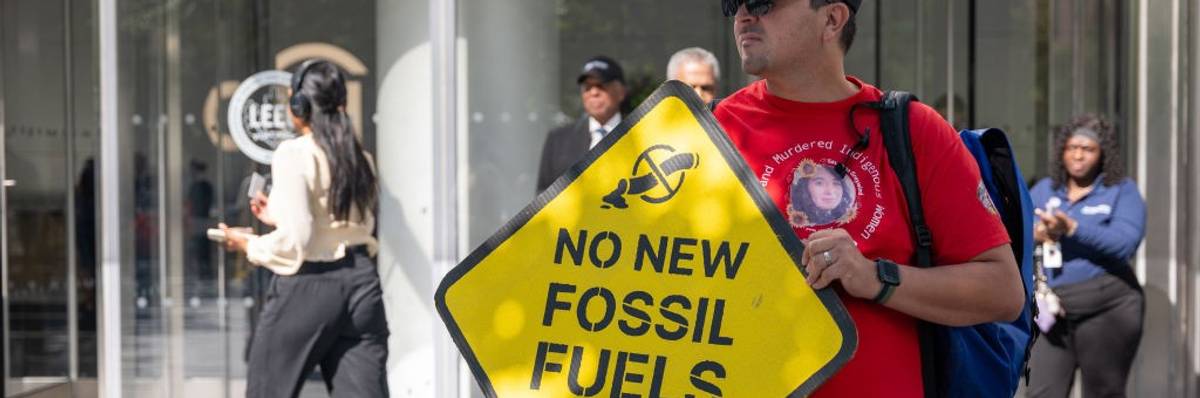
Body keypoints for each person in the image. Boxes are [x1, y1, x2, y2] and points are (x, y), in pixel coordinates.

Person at [713, 1, 1024, 396]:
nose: (743, 14)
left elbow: (1002, 291)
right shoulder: (708, 133)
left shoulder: (913, 130)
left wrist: (876, 278)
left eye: (763, 2)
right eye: (733, 2)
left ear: (832, 19)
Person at [220, 59, 389, 398]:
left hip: (310, 284)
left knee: (267, 391)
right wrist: (278, 215)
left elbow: (299, 238)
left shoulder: (293, 153)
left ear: (300, 106)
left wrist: (250, 245)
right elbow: (357, 223)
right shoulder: (360, 157)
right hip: (362, 283)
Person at [1026, 114, 1146, 397]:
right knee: (1042, 392)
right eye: (1072, 148)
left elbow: (1124, 244)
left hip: (1108, 309)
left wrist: (1072, 228)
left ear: (1103, 154)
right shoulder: (1045, 189)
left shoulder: (1121, 191)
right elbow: (1014, 232)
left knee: (1103, 392)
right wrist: (1035, 233)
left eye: (1088, 149)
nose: (1078, 155)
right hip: (1053, 311)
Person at [536, 55, 628, 193]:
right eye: (587, 87)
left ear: (621, 92)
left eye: (601, 86)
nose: (594, 92)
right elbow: (542, 195)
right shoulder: (558, 140)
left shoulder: (639, 135)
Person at [789, 160, 856, 227]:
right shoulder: (798, 219)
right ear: (805, 187)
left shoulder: (845, 221)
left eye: (836, 183)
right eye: (819, 183)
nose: (830, 191)